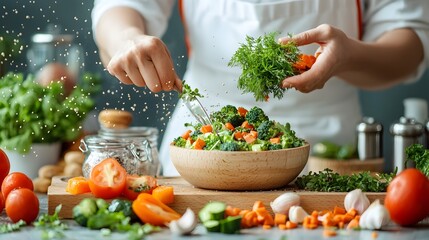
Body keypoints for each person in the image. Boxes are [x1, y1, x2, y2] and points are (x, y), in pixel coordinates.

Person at [92, 0, 429, 176]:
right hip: (199, 146)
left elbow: (410, 40)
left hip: (327, 151)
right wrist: (126, 39)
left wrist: (349, 56)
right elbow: (120, 7)